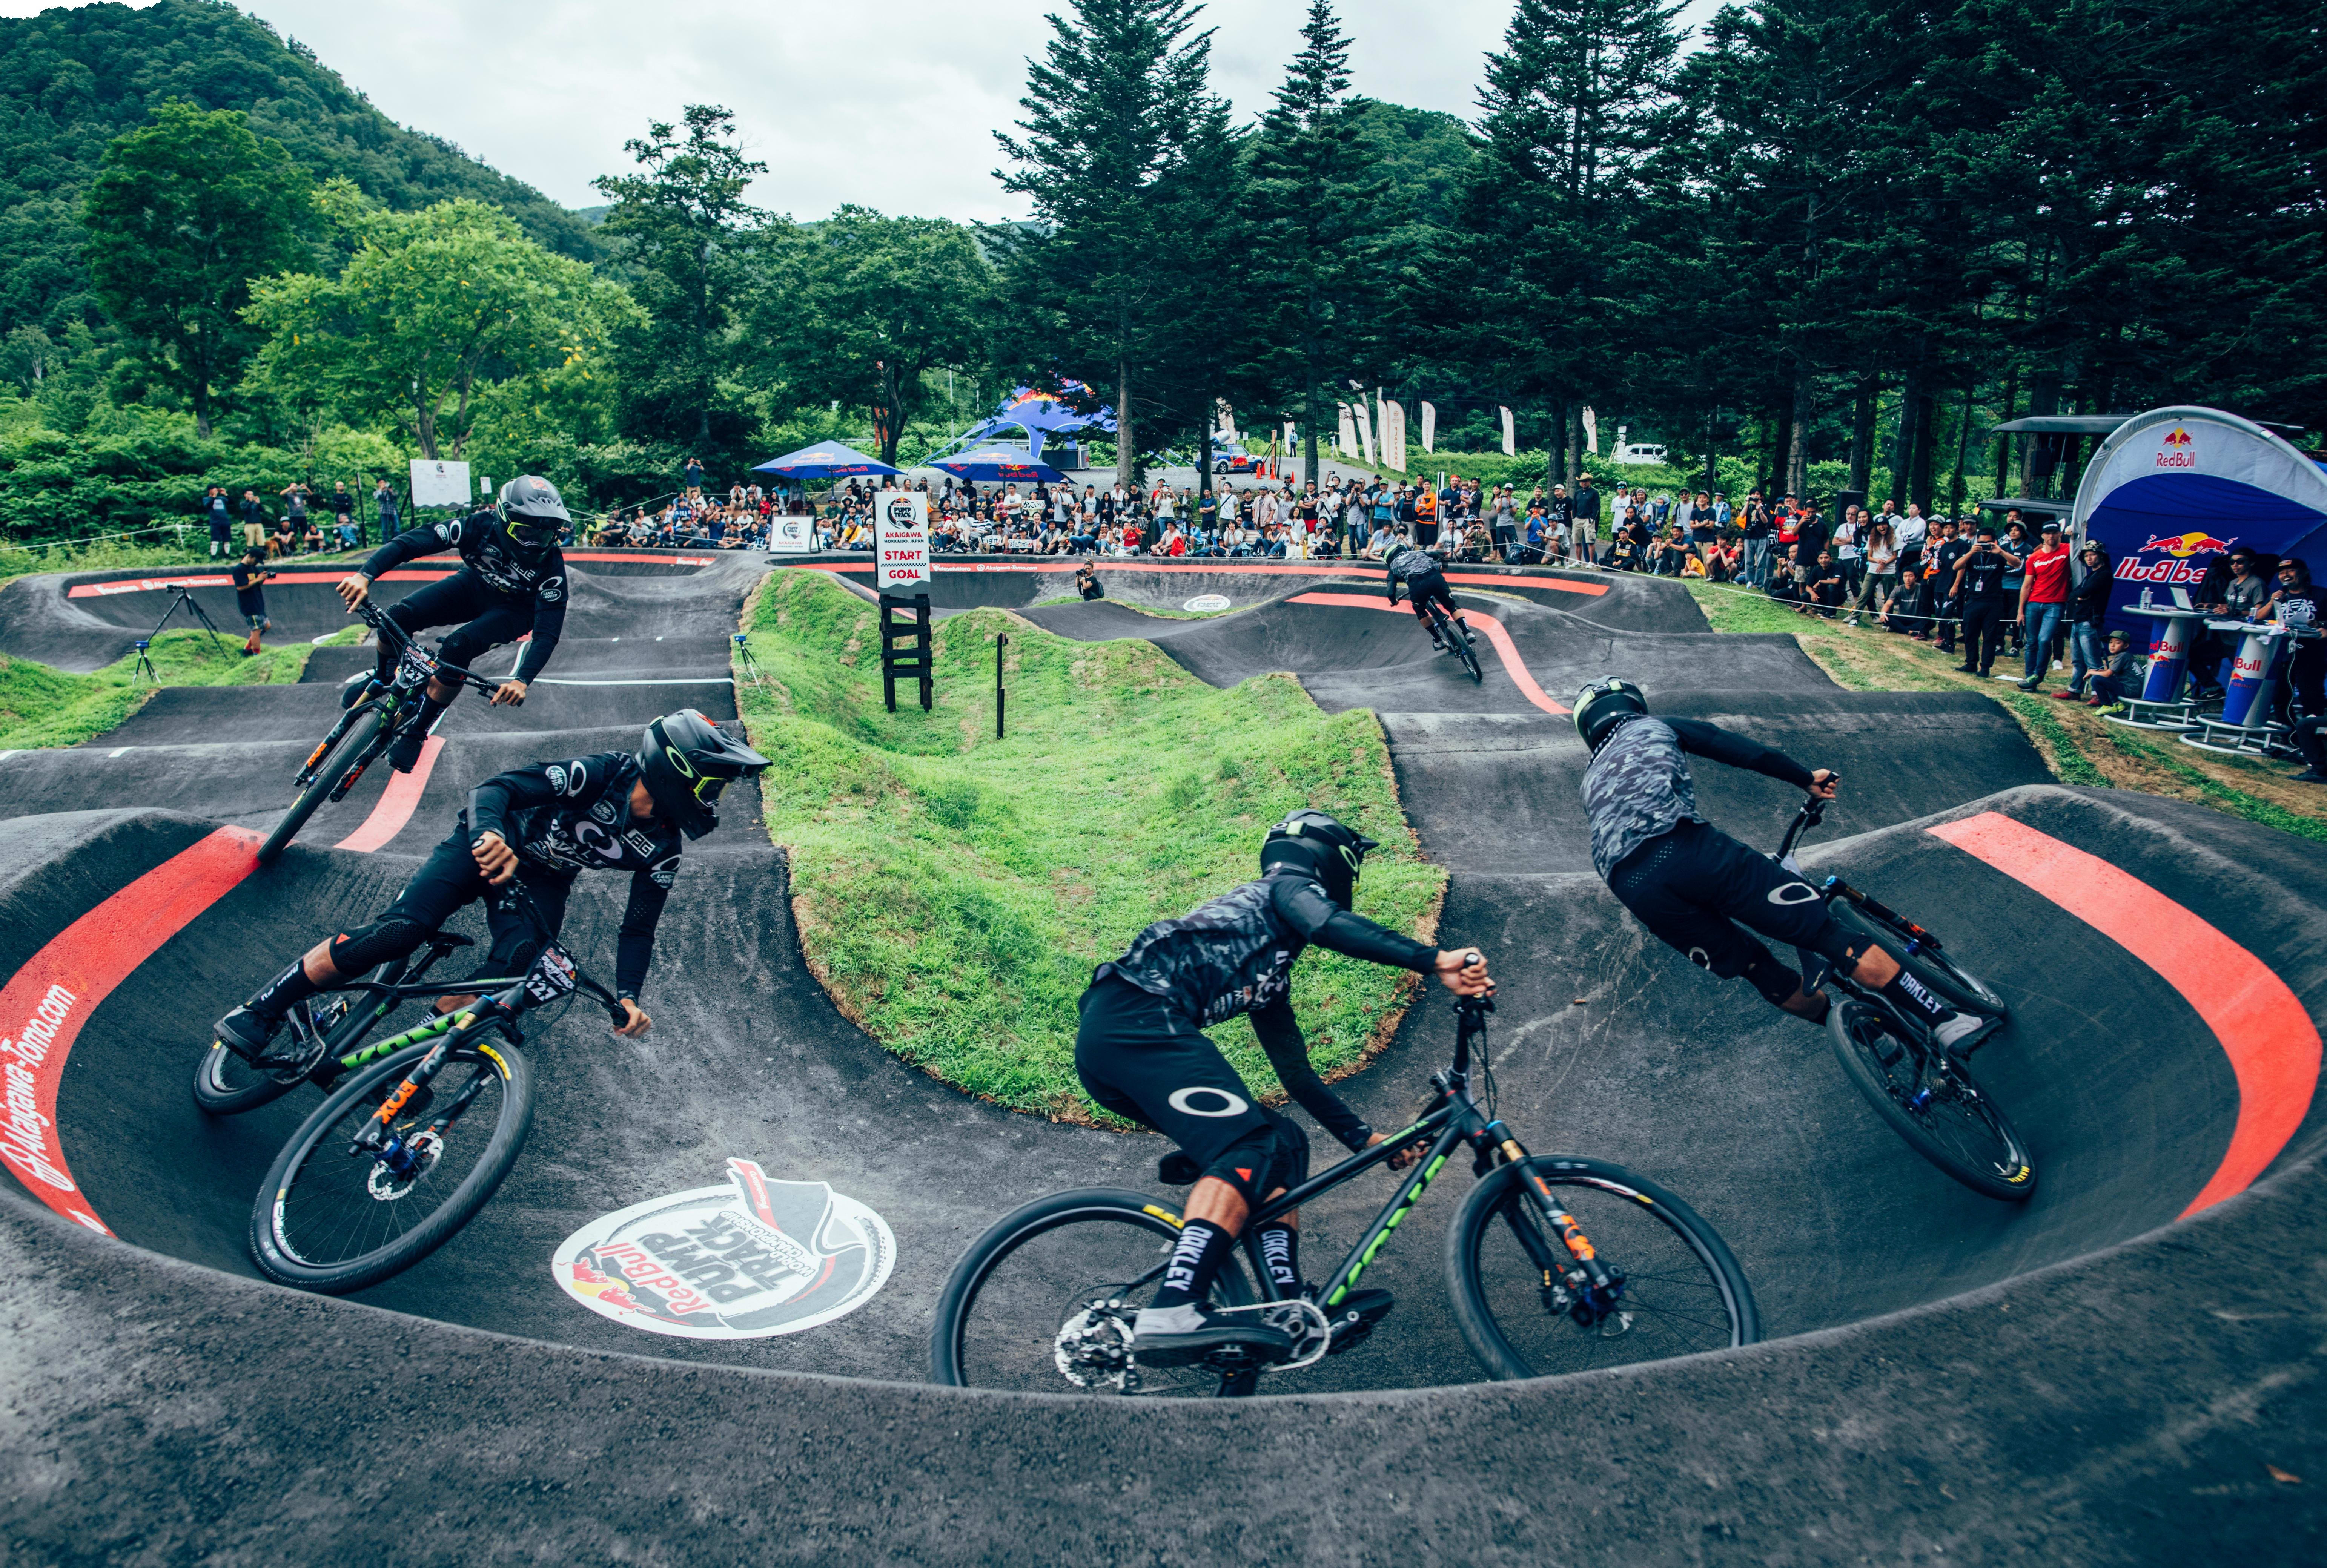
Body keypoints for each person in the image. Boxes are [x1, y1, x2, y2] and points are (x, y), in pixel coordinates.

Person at [1075, 809, 1496, 1367]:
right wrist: (1432, 959)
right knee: (1245, 1147)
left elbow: (1295, 1076)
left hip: (1127, 1034)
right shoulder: (1285, 888)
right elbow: (1327, 925)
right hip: (1137, 1018)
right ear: (1332, 862)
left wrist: (1363, 1138)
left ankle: (1286, 1302)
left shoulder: (1269, 966)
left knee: (1283, 1141)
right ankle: (1173, 1307)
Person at [213, 712, 769, 1065]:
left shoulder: (665, 847)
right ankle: (264, 1007)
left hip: (543, 878)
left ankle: (418, 1055)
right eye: (712, 784)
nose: (715, 798)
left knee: (520, 968)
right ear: (676, 771)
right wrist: (488, 837)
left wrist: (628, 996)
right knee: (401, 932)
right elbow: (494, 788)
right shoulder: (602, 773)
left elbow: (639, 927)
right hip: (485, 843)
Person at [1571, 679, 1991, 1048]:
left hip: (1631, 885)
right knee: (1824, 933)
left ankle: (1867, 1040)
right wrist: (1803, 776)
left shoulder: (1590, 777)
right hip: (1683, 848)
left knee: (1754, 967)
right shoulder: (1653, 726)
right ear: (1634, 706)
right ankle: (1945, 1021)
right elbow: (1735, 749)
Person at [335, 476, 573, 773]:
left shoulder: (552, 569)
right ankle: (383, 677)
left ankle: (418, 731)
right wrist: (364, 576)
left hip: (514, 611)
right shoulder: (476, 526)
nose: (537, 543)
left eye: (547, 534)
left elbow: (548, 634)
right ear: (501, 518)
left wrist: (521, 681)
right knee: (397, 616)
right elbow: (410, 543)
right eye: (526, 532)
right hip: (472, 587)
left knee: (457, 647)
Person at [1950, 526, 2017, 677]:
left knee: (1989, 635)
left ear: (1994, 542)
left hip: (1993, 601)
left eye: (1988, 543)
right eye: (1981, 543)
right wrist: (1972, 552)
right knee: (1970, 633)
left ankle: (1985, 667)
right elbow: (1956, 566)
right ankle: (1970, 663)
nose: (1985, 547)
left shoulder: (1999, 555)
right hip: (1974, 599)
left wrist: (2000, 551)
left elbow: (2017, 563)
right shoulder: (1974, 554)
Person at [2015, 523, 2073, 691]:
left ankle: (2039, 675)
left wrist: (2073, 533)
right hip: (2034, 603)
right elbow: (2026, 585)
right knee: (2031, 642)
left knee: (2045, 639)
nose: (2051, 537)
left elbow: (2085, 546)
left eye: (2054, 533)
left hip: (2055, 604)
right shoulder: (2034, 557)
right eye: (2048, 534)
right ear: (2042, 536)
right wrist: (2021, 611)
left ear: (2060, 534)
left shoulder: (2068, 549)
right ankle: (2029, 678)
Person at [1384, 535, 1469, 649]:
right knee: (1451, 605)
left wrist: (1394, 602)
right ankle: (1467, 632)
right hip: (1435, 577)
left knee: (1420, 611)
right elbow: (1440, 554)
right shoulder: (1418, 553)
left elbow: (1390, 592)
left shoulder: (1393, 566)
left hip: (1417, 585)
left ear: (1388, 559)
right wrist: (1444, 567)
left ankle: (1439, 641)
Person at [2058, 541, 2115, 700]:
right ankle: (2075, 690)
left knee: (2093, 660)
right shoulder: (2091, 575)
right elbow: (2075, 593)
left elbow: (2084, 592)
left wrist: (2081, 595)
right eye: (2087, 556)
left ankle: (2099, 694)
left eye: (2093, 555)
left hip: (2090, 621)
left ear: (2101, 556)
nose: (2089, 559)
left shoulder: (2105, 574)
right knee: (2078, 660)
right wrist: (2079, 596)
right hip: (2079, 620)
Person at [230, 546, 273, 655]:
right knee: (256, 630)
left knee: (266, 626)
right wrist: (258, 579)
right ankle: (256, 655)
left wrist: (262, 579)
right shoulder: (239, 569)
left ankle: (248, 648)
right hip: (249, 604)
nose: (256, 564)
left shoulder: (253, 568)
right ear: (250, 556)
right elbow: (240, 587)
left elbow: (256, 583)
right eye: (256, 560)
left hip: (258, 601)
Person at [201, 485, 234, 558]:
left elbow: (232, 502)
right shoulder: (206, 499)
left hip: (225, 521)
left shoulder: (222, 499)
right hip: (215, 522)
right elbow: (208, 505)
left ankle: (227, 555)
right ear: (210, 491)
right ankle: (213, 556)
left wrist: (226, 494)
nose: (215, 491)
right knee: (215, 540)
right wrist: (214, 497)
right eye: (214, 490)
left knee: (227, 540)